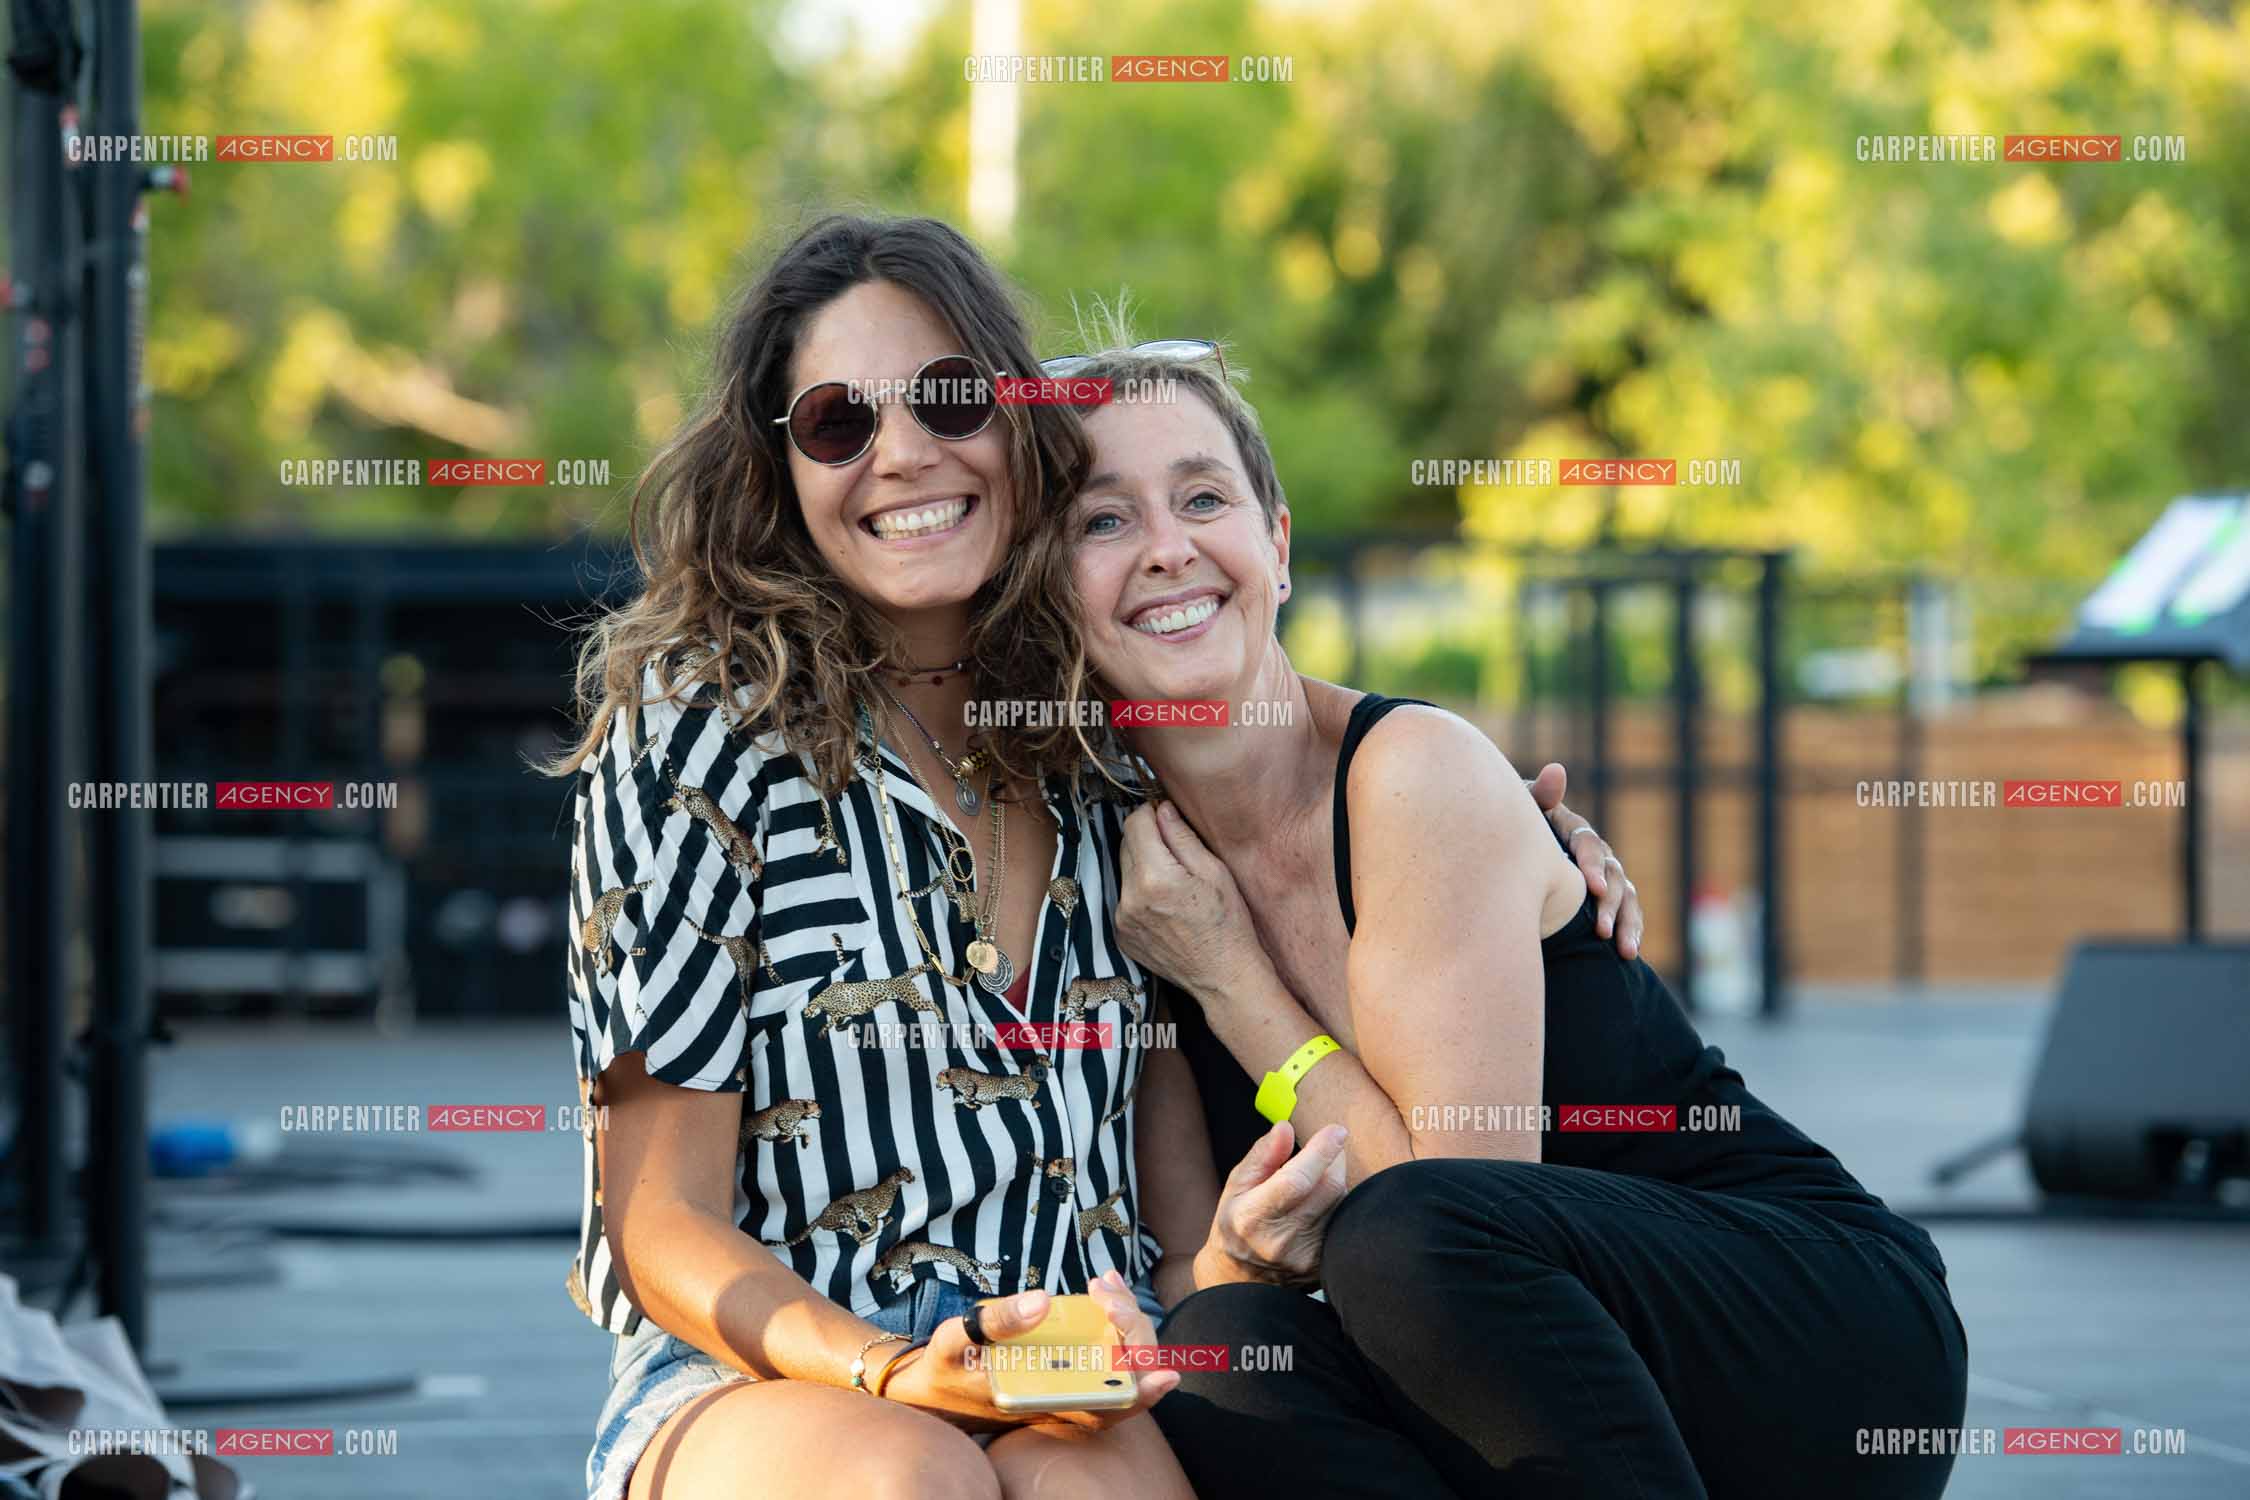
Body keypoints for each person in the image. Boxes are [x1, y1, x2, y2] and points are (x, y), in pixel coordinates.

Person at [543, 213, 1643, 1500]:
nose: (903, 452)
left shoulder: (1105, 756)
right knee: (910, 1480)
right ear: (780, 469)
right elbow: (659, 1219)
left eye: (950, 399)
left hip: (1072, 1362)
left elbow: (1175, 1243)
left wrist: (1513, 817)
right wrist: (899, 1371)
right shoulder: (698, 735)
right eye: (840, 423)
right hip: (772, 1374)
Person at [1026, 330, 1971, 1499]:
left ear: (1277, 547)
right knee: (1221, 1355)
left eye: (1203, 498)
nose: (1168, 548)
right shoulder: (1136, 880)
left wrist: (1233, 981)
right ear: (1051, 595)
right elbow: (1187, 1267)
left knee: (1408, 1234)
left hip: (1806, 1340)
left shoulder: (1412, 774)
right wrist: (1232, 1258)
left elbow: (1451, 1212)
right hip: (1548, 1413)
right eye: (1103, 521)